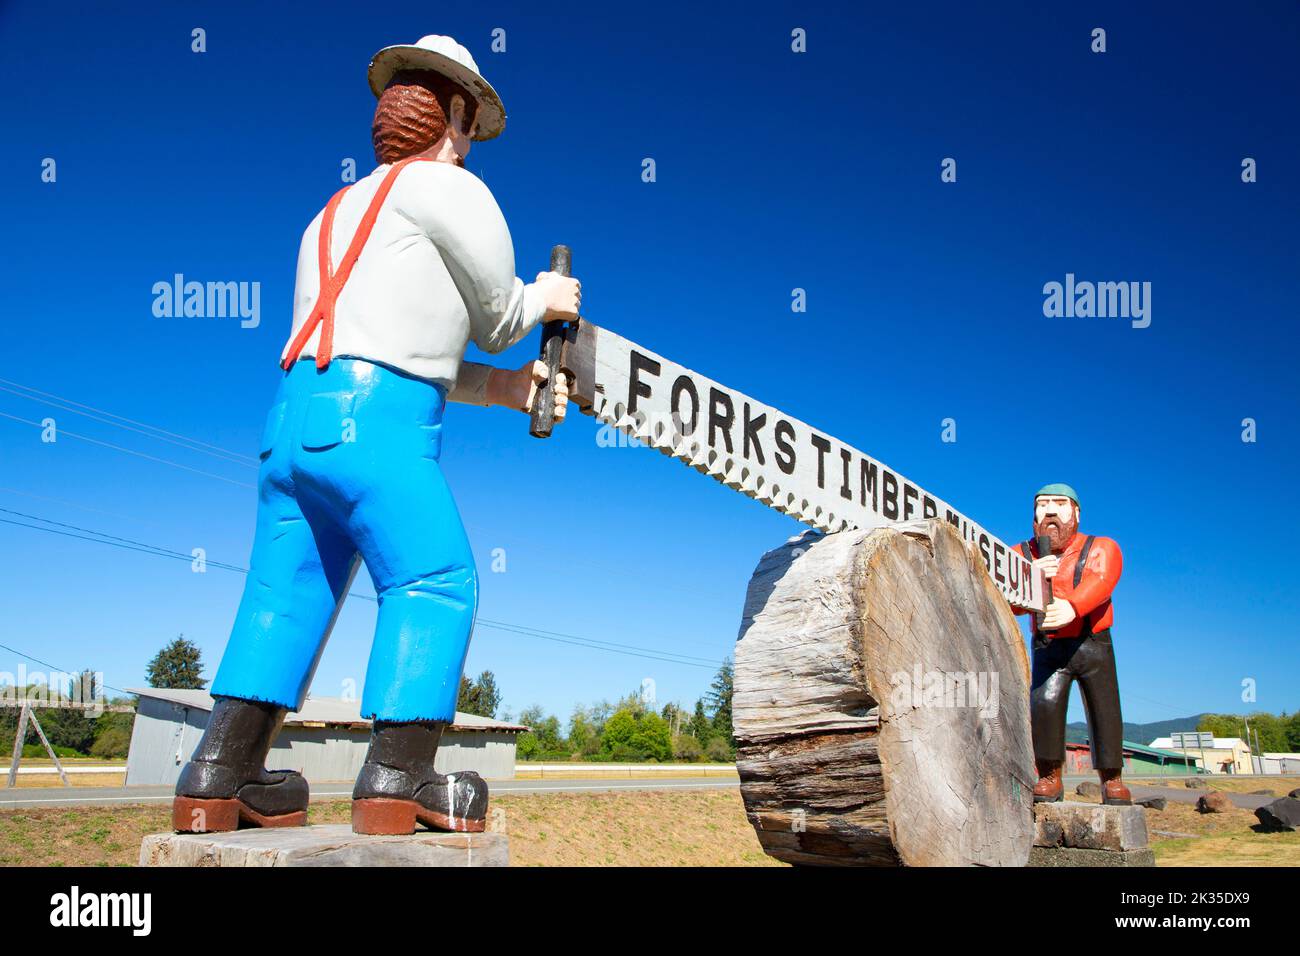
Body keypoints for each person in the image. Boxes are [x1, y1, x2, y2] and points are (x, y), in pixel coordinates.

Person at [172, 35, 580, 836]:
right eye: (470, 126)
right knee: (434, 580)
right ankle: (400, 778)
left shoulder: (327, 216)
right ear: (457, 113)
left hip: (292, 427)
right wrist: (550, 296)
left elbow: (394, 346)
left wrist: (499, 392)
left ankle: (221, 775)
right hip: (378, 432)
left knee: (283, 596)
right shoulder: (448, 188)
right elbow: (498, 321)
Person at [1011, 483, 1131, 806]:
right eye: (1042, 505)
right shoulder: (1022, 555)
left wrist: (1074, 606)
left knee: (1104, 707)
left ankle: (1112, 778)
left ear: (1076, 513)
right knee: (1044, 706)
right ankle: (1049, 775)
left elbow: (1104, 579)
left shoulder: (1099, 547)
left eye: (1059, 504)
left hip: (1093, 643)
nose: (1050, 511)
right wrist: (1028, 577)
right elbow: (1007, 599)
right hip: (1048, 646)